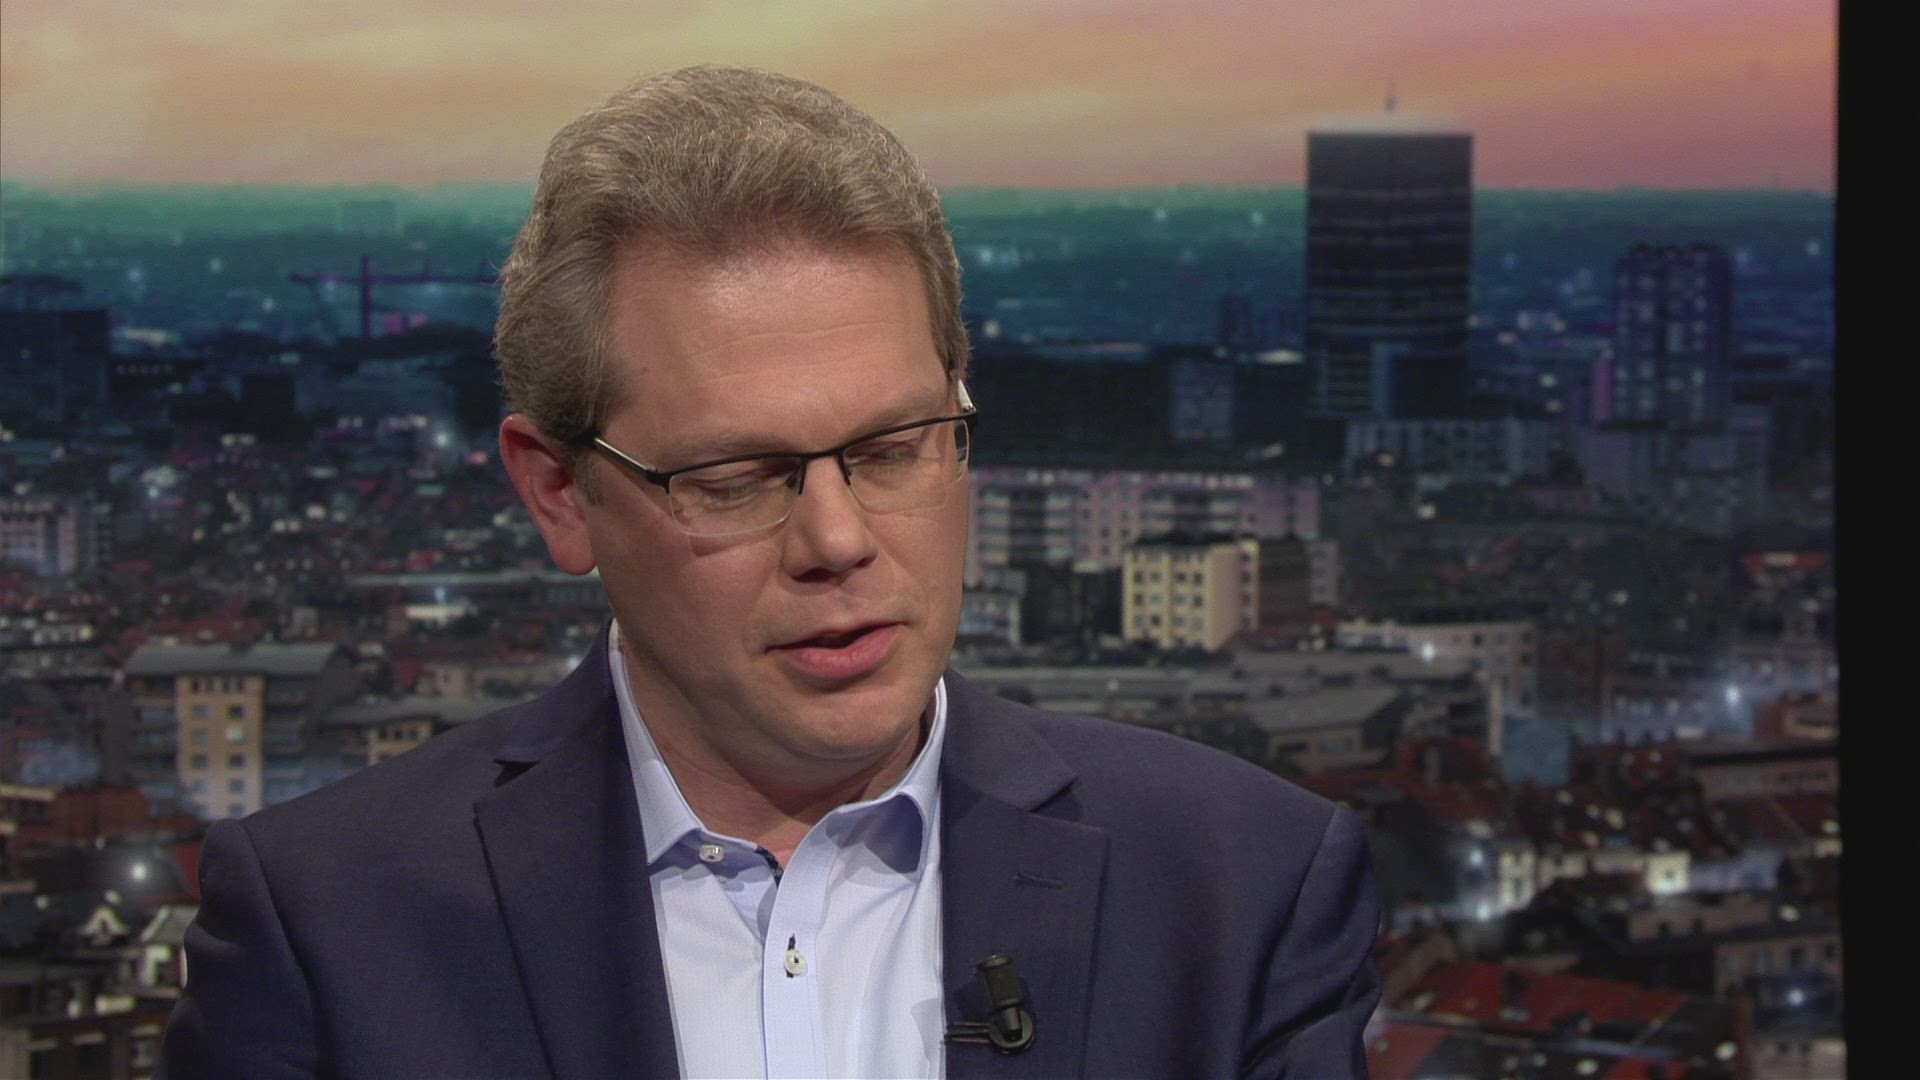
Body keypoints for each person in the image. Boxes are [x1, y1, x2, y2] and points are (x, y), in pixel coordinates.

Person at [161, 65, 1381, 1079]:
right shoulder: (326, 927)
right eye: (737, 477)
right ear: (559, 493)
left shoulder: (1246, 888)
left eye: (894, 450)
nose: (838, 540)